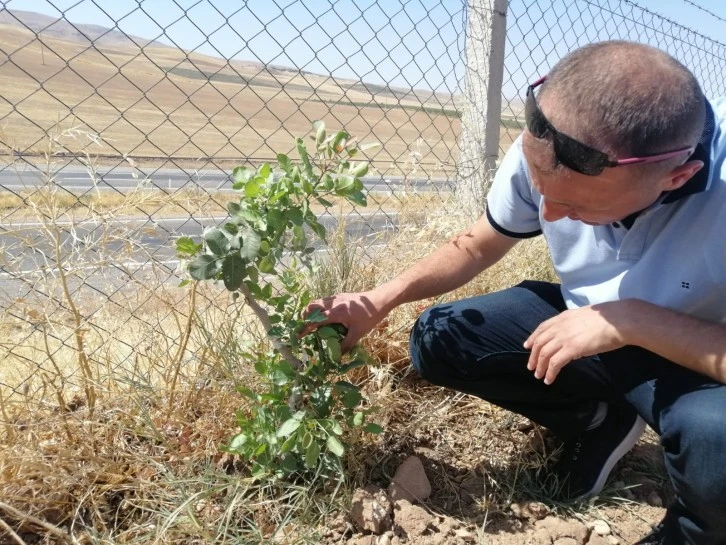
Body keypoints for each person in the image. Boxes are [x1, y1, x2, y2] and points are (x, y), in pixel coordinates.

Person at [303, 41, 726, 545]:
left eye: (573, 206)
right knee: (442, 336)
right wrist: (380, 298)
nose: (546, 215)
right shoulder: (551, 146)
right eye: (541, 190)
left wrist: (631, 320)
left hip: (696, 362)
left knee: (717, 440)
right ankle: (596, 422)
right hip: (585, 331)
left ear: (677, 177)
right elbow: (480, 245)